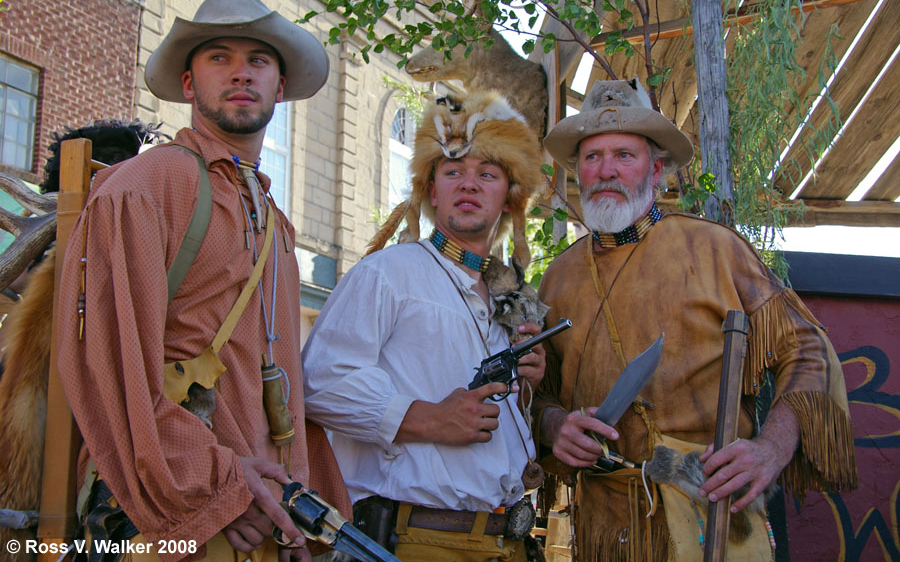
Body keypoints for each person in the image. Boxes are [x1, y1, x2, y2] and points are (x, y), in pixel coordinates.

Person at [55, 0, 349, 562]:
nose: (241, 73)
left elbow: (284, 377)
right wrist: (219, 488)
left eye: (258, 61)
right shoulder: (144, 188)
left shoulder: (277, 225)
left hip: (261, 520)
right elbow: (111, 371)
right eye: (220, 58)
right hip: (174, 520)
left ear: (279, 87)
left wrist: (293, 512)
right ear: (189, 84)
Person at [535, 79, 858, 561]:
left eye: (624, 155)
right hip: (599, 529)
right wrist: (554, 422)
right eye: (592, 157)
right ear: (576, 171)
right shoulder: (557, 278)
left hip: (711, 519)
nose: (606, 171)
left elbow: (807, 349)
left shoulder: (715, 249)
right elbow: (537, 393)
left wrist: (770, 450)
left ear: (658, 169)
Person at [302, 92, 547, 562]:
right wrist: (428, 418)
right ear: (432, 191)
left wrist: (528, 385)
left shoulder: (511, 303)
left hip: (507, 544)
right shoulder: (386, 274)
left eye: (488, 174)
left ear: (510, 196)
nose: (469, 184)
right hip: (415, 544)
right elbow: (320, 382)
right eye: (453, 172)